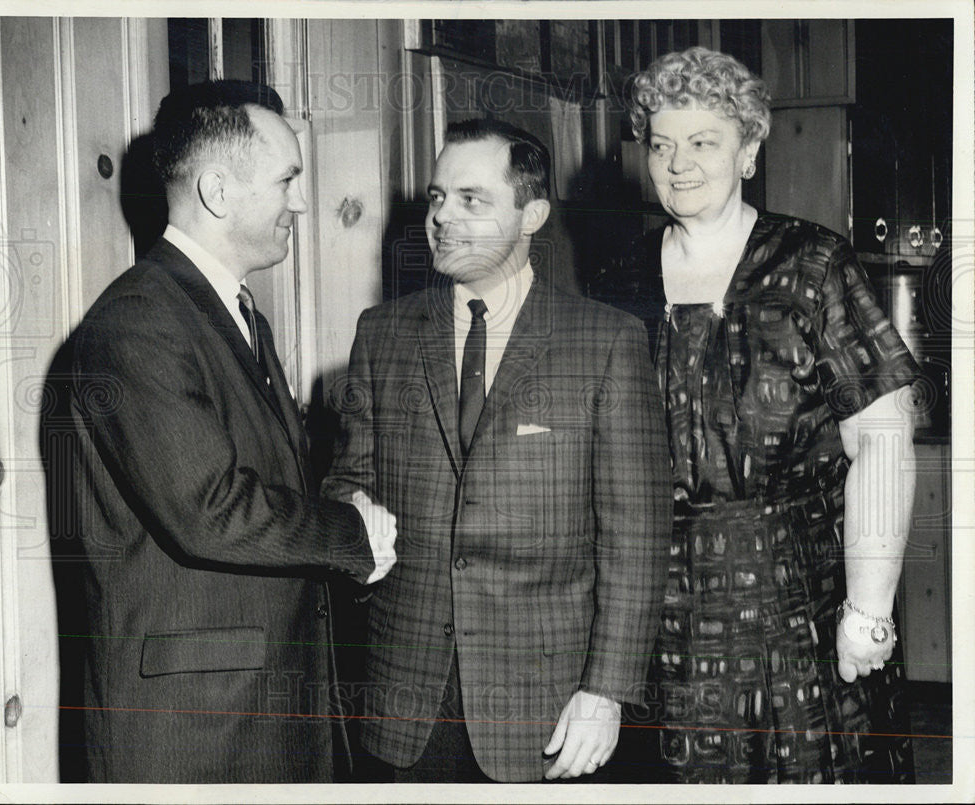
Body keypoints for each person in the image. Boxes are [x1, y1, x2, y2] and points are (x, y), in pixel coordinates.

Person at [42, 80, 396, 783]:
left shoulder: (235, 316)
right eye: (287, 179)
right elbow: (210, 508)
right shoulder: (139, 321)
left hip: (255, 713)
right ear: (218, 191)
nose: (301, 200)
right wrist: (352, 534)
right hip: (193, 731)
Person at [597, 47, 919, 783]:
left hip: (795, 596)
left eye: (704, 141)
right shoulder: (619, 277)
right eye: (661, 144)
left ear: (747, 150)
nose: (679, 163)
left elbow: (882, 439)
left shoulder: (812, 264)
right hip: (657, 609)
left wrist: (868, 607)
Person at [321, 118, 672, 783]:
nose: (442, 217)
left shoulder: (605, 342)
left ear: (531, 212)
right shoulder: (383, 334)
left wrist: (607, 690)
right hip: (407, 695)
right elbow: (348, 479)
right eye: (435, 197)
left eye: (471, 199)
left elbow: (638, 533)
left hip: (548, 702)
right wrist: (355, 519)